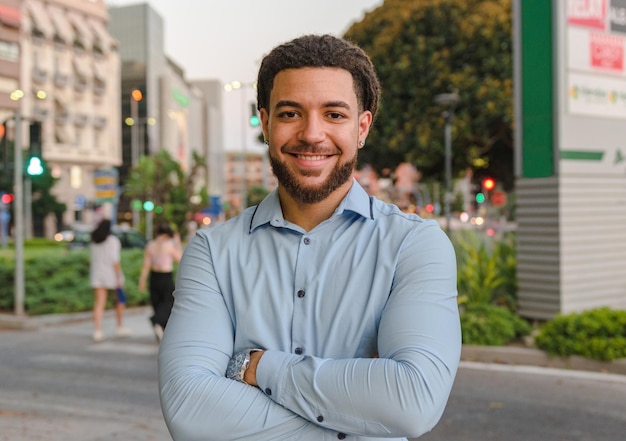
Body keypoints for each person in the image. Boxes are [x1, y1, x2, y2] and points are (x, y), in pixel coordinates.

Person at [159, 34, 461, 441]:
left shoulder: (413, 245)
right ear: (265, 123)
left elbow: (412, 401)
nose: (312, 134)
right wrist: (357, 418)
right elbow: (190, 411)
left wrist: (258, 367)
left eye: (334, 114)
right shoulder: (213, 251)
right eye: (290, 113)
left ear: (362, 127)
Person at [139, 222, 182, 341]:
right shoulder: (169, 245)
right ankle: (157, 321)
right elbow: (180, 259)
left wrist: (142, 280)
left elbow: (146, 265)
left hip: (154, 277)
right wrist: (177, 243)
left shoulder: (150, 245)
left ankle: (161, 329)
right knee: (168, 303)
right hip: (165, 277)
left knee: (157, 303)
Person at [90, 219, 131, 342]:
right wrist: (119, 277)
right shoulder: (113, 241)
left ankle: (97, 330)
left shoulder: (94, 242)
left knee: (99, 303)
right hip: (112, 275)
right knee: (120, 300)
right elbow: (115, 261)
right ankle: (119, 326)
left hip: (97, 274)